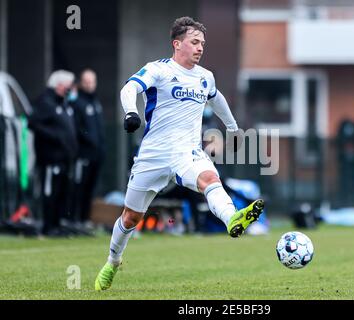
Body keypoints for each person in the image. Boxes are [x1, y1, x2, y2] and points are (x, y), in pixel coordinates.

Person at [94, 16, 264, 291]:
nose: (200, 48)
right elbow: (130, 88)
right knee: (130, 217)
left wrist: (233, 129)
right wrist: (131, 113)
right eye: (195, 42)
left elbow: (216, 98)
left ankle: (233, 218)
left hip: (187, 151)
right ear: (177, 44)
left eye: (202, 44)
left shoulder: (205, 77)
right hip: (153, 154)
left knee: (210, 178)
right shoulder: (158, 70)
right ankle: (113, 261)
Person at [28, 70, 78, 237]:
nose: (70, 89)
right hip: (50, 158)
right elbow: (33, 123)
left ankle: (57, 225)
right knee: (50, 192)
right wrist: (56, 137)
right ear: (59, 85)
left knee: (61, 193)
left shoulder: (62, 103)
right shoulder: (46, 101)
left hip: (64, 158)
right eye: (68, 85)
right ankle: (48, 226)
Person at [71, 69, 105, 231]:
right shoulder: (78, 103)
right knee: (80, 187)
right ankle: (75, 220)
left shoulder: (95, 102)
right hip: (83, 155)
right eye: (87, 82)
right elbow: (77, 129)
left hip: (96, 155)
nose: (90, 85)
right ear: (81, 83)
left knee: (90, 188)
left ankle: (85, 220)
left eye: (92, 81)